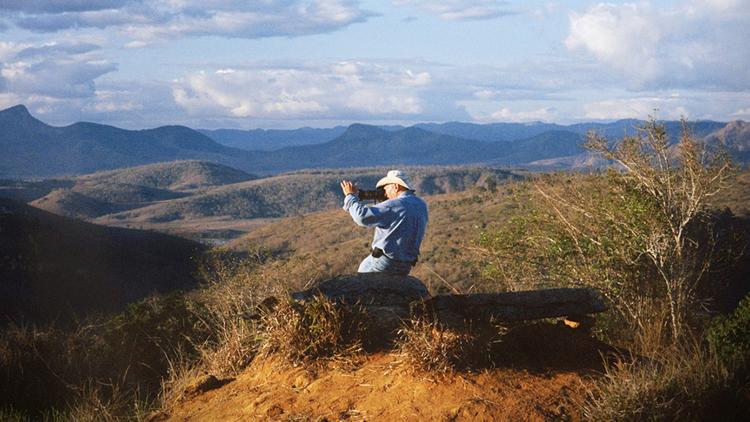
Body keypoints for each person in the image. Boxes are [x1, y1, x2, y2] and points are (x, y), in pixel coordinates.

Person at [340, 170, 428, 275]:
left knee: (360, 280)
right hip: (406, 266)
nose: (384, 192)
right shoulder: (421, 205)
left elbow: (361, 217)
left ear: (396, 187)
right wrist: (362, 194)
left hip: (384, 263)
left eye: (386, 187)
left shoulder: (396, 204)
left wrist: (350, 196)